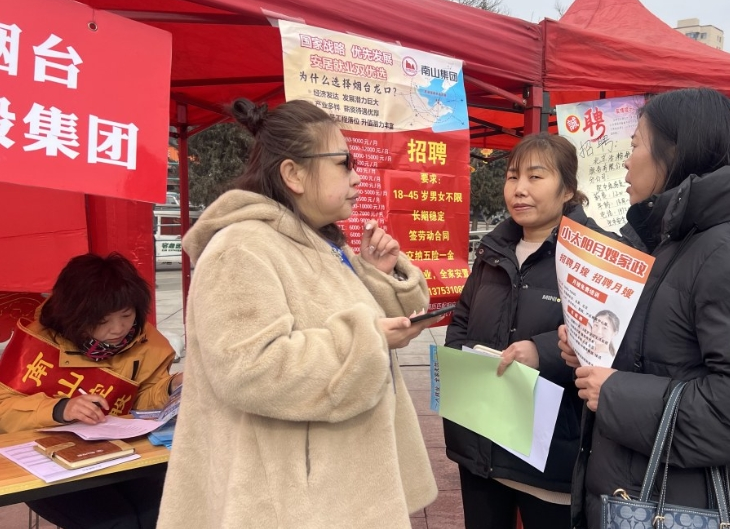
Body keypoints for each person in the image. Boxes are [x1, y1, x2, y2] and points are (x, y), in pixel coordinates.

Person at [157, 98, 438, 528]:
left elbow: (354, 322)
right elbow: (250, 368)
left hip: (339, 487)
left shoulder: (319, 242)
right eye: (343, 163)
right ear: (293, 174)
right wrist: (367, 340)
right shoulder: (241, 247)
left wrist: (375, 275)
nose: (357, 177)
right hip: (289, 504)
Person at [560, 88, 730, 529]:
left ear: (675, 151)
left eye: (635, 145)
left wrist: (617, 394)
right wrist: (597, 348)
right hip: (665, 489)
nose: (626, 162)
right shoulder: (681, 241)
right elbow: (676, 356)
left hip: (704, 502)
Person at [444, 133, 602, 529]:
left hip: (549, 452)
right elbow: (462, 321)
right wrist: (462, 362)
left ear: (568, 189)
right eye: (513, 177)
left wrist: (542, 351)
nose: (519, 189)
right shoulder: (493, 250)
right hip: (482, 441)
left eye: (536, 177)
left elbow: (608, 336)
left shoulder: (592, 253)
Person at [0, 252, 181, 529]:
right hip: (49, 460)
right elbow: (3, 408)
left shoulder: (148, 341)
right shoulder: (37, 342)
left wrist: (170, 386)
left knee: (162, 512)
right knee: (118, 522)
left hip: (120, 452)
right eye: (102, 320)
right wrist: (60, 409)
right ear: (75, 314)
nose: (118, 329)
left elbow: (141, 401)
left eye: (127, 315)